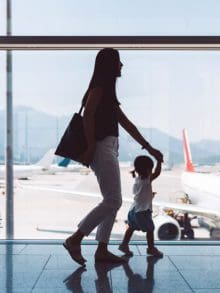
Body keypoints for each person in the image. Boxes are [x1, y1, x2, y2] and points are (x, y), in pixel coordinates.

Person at [63, 48, 164, 265]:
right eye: (118, 61)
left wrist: (149, 148)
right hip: (101, 147)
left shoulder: (107, 92)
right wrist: (90, 146)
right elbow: (88, 114)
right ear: (110, 65)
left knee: (112, 201)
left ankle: (101, 250)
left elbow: (127, 125)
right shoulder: (99, 89)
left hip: (107, 148)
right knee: (113, 200)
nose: (122, 65)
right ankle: (75, 239)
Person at [119, 155, 163, 257]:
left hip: (134, 210)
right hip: (143, 211)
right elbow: (157, 173)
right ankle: (151, 248)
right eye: (151, 169)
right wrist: (159, 162)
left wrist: (150, 195)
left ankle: (124, 244)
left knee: (131, 227)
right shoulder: (147, 179)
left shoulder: (138, 179)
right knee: (150, 229)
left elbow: (140, 194)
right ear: (148, 170)